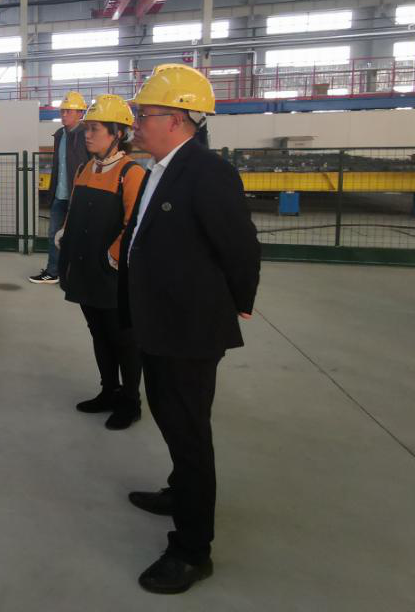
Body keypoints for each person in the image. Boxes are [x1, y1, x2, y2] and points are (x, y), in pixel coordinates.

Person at [119, 64, 261, 594]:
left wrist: (239, 303)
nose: (136, 124)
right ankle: (181, 491)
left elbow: (240, 247)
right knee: (169, 414)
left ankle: (192, 549)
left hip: (189, 328)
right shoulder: (159, 168)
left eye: (144, 115)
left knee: (190, 432)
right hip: (160, 321)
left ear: (177, 120)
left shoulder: (207, 172)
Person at [55, 94, 146, 430]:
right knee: (98, 334)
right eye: (87, 129)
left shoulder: (130, 173)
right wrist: (65, 233)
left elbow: (135, 225)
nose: (87, 135)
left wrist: (112, 257)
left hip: (112, 275)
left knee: (123, 339)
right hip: (85, 269)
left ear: (117, 133)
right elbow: (75, 209)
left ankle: (130, 401)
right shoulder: (85, 169)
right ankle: (109, 391)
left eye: (95, 129)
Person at [31, 91, 89, 284]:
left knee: (79, 235)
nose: (64, 114)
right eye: (63, 111)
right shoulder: (59, 135)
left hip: (78, 196)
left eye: (69, 111)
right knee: (53, 235)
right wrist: (52, 192)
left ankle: (77, 274)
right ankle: (53, 271)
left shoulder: (86, 135)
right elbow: (58, 167)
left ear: (80, 113)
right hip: (59, 195)